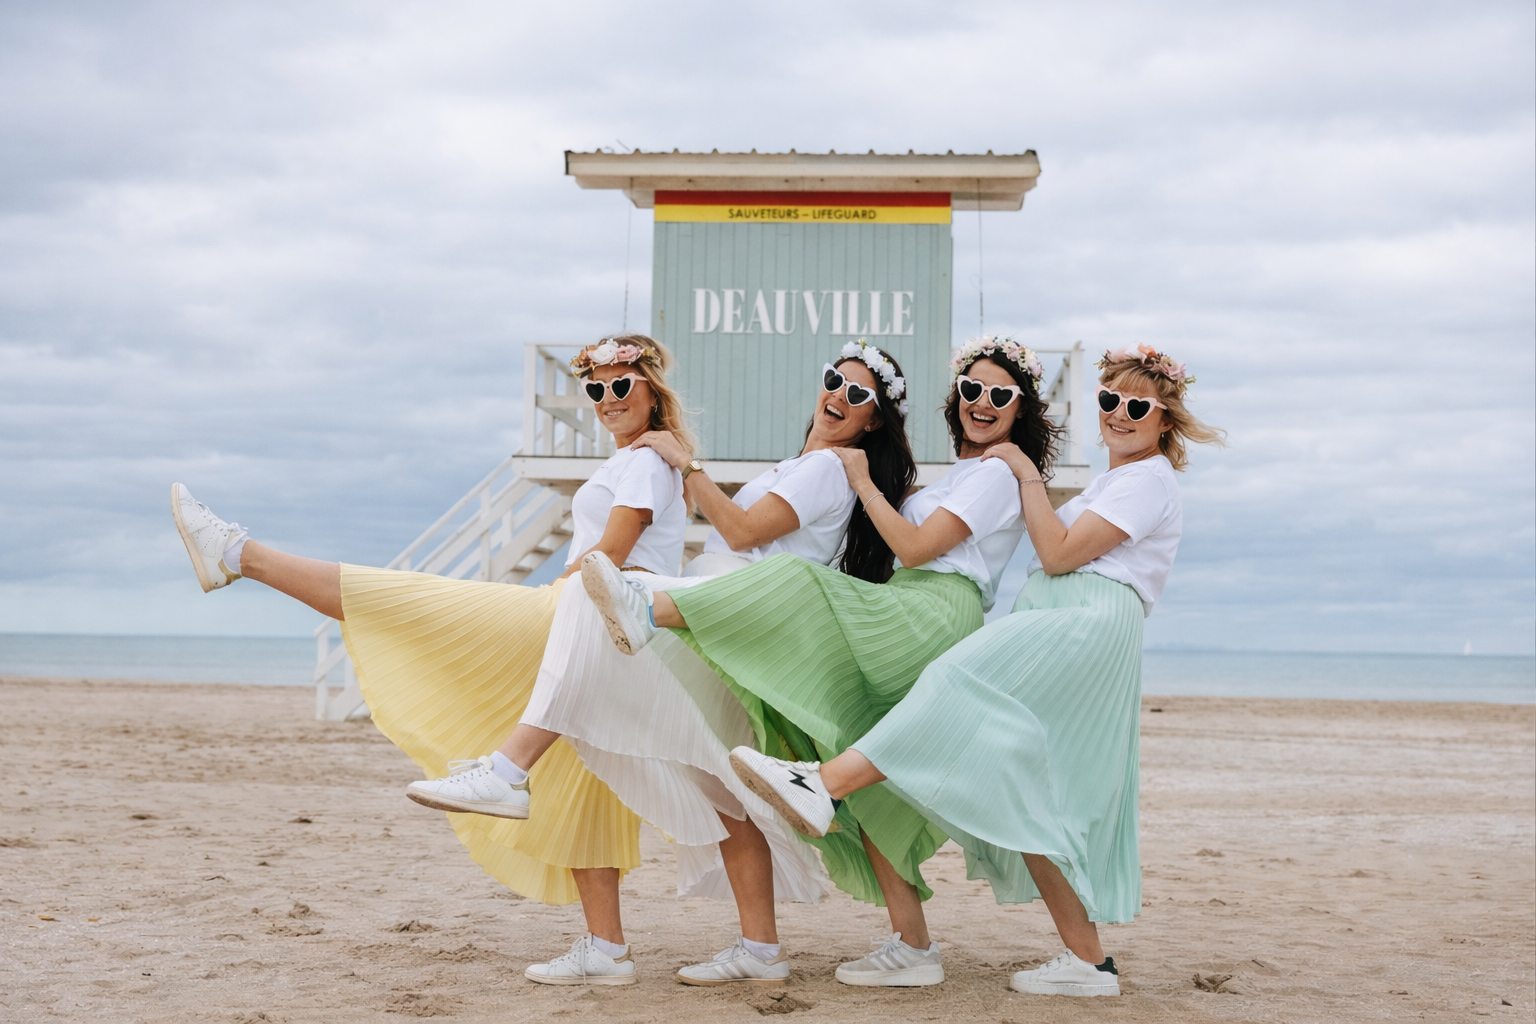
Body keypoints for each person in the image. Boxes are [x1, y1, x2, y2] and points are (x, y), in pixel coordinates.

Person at [168, 335, 689, 985]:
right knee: (582, 786)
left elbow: (609, 556)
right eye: (596, 388)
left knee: (410, 603)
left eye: (622, 386)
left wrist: (563, 587)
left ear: (651, 390)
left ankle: (238, 554)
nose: (609, 399)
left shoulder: (642, 463)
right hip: (612, 631)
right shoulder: (643, 462)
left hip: (585, 613)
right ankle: (606, 947)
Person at [730, 344, 1225, 997]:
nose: (1119, 414)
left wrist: (1025, 476)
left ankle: (824, 784)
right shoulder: (1118, 480)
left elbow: (1055, 553)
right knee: (1022, 782)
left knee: (953, 682)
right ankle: (1088, 961)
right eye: (1109, 401)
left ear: (1166, 420)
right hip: (1070, 617)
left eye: (1138, 406)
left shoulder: (1148, 478)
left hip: (1082, 623)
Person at [582, 336, 1062, 987]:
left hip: (923, 614)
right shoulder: (964, 475)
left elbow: (914, 549)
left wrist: (852, 477)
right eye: (972, 389)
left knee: (798, 585)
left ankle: (650, 611)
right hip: (902, 605)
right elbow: (900, 538)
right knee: (873, 781)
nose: (981, 402)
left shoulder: (992, 471)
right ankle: (912, 946)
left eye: (999, 394)